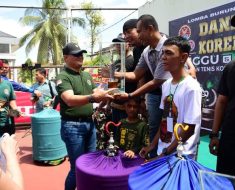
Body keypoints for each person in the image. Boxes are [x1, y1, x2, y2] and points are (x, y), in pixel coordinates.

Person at [102, 15, 170, 158]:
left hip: (171, 94)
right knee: (157, 128)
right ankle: (155, 159)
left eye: (138, 32)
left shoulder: (167, 45)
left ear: (150, 29)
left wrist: (133, 96)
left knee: (172, 130)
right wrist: (113, 73)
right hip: (154, 95)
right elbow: (135, 75)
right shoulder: (145, 51)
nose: (129, 37)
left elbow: (156, 80)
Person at [56, 42, 113, 190]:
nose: (80, 56)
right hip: (72, 126)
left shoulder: (86, 75)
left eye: (81, 53)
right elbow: (69, 99)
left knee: (91, 164)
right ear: (66, 57)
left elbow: (96, 92)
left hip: (90, 123)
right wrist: (94, 98)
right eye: (76, 54)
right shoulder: (63, 76)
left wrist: (108, 94)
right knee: (77, 168)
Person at [140, 36, 201, 160]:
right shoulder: (166, 84)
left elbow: (189, 129)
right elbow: (164, 120)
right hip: (164, 152)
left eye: (169, 53)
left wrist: (164, 154)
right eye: (163, 53)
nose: (163, 57)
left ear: (183, 57)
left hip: (181, 157)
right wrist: (152, 146)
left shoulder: (192, 87)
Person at [209, 12, 235, 181]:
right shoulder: (231, 67)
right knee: (225, 185)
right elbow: (222, 101)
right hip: (229, 140)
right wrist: (214, 134)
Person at [0, 62, 21, 136]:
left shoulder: (8, 84)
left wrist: (16, 111)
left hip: (5, 124)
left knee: (6, 146)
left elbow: (12, 102)